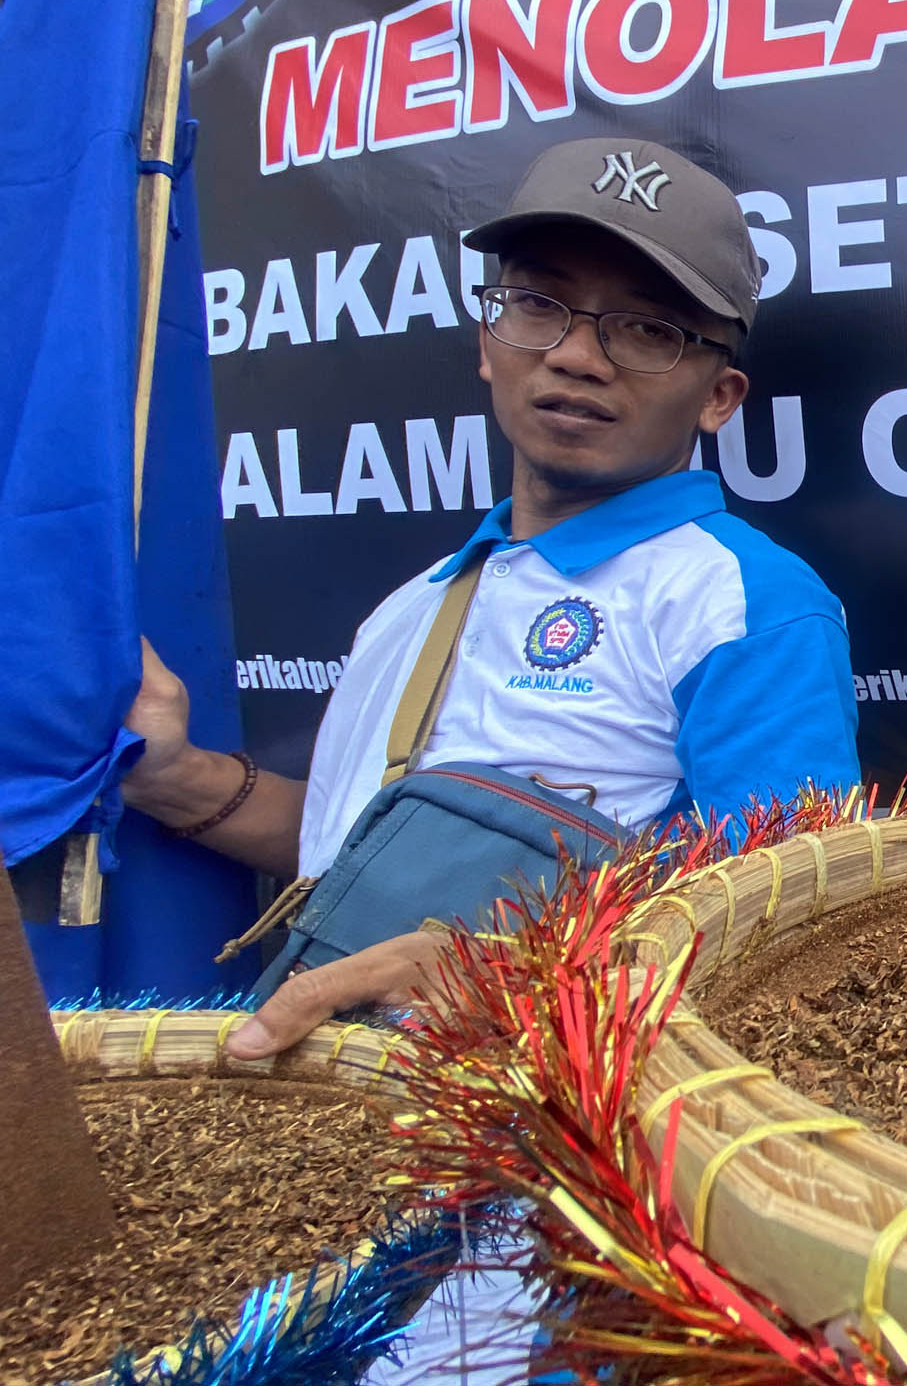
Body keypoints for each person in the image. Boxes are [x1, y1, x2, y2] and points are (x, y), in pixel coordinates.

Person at [120, 138, 860, 1056]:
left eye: (644, 328)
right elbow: (347, 858)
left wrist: (500, 970)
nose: (579, 356)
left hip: (538, 1158)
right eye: (539, 304)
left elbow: (797, 939)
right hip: (336, 1121)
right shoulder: (412, 605)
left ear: (720, 395)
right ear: (487, 340)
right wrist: (169, 773)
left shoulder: (746, 603)